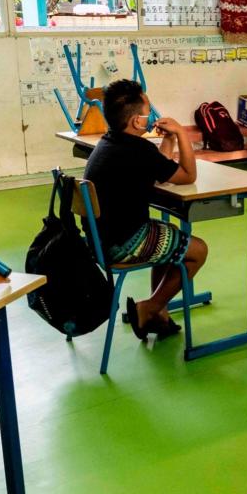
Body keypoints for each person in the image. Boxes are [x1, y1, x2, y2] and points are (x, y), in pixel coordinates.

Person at [82, 79, 208, 340]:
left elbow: (158, 171)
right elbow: (188, 175)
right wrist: (183, 134)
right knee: (198, 251)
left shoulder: (110, 144)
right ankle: (149, 307)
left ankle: (158, 311)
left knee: (165, 235)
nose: (151, 116)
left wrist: (170, 140)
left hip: (99, 241)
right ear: (137, 122)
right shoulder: (137, 149)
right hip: (124, 243)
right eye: (147, 112)